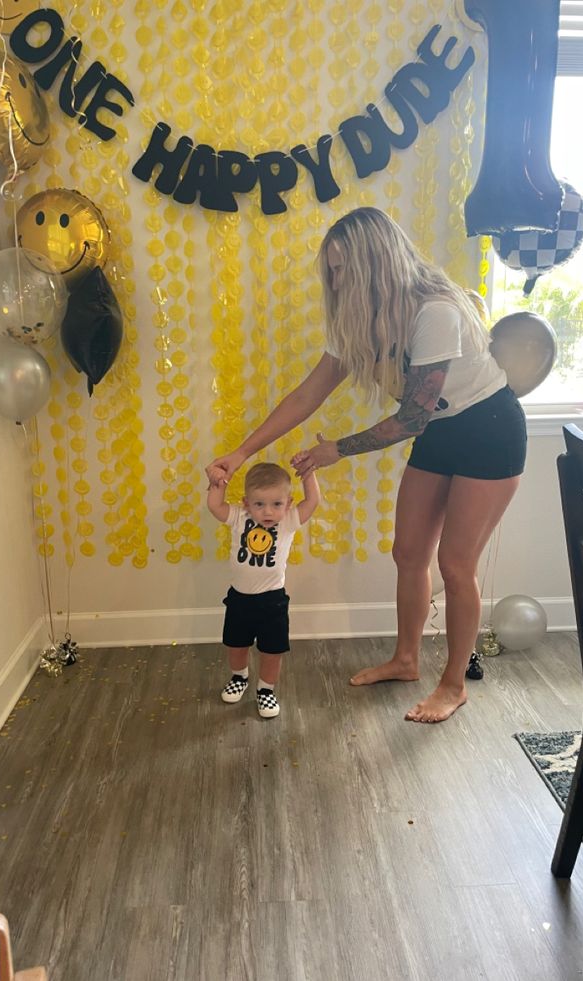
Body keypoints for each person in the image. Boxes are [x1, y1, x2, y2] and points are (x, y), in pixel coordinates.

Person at [206, 206, 526, 724]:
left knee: (455, 564)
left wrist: (336, 450)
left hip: (489, 429)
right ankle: (405, 659)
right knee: (408, 553)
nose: (335, 279)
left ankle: (452, 685)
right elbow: (307, 394)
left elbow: (412, 417)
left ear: (376, 263)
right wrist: (241, 452)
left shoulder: (434, 310)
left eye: (343, 268)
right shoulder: (360, 321)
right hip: (441, 430)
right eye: (331, 269)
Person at [207, 461, 320, 718]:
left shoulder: (289, 521)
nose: (268, 511)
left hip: (272, 602)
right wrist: (219, 481)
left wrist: (309, 474)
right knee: (236, 645)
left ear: (288, 503)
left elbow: (312, 502)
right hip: (239, 599)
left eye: (276, 504)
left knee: (272, 650)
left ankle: (266, 690)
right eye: (259, 504)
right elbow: (215, 505)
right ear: (247, 503)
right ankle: (240, 676)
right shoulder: (239, 517)